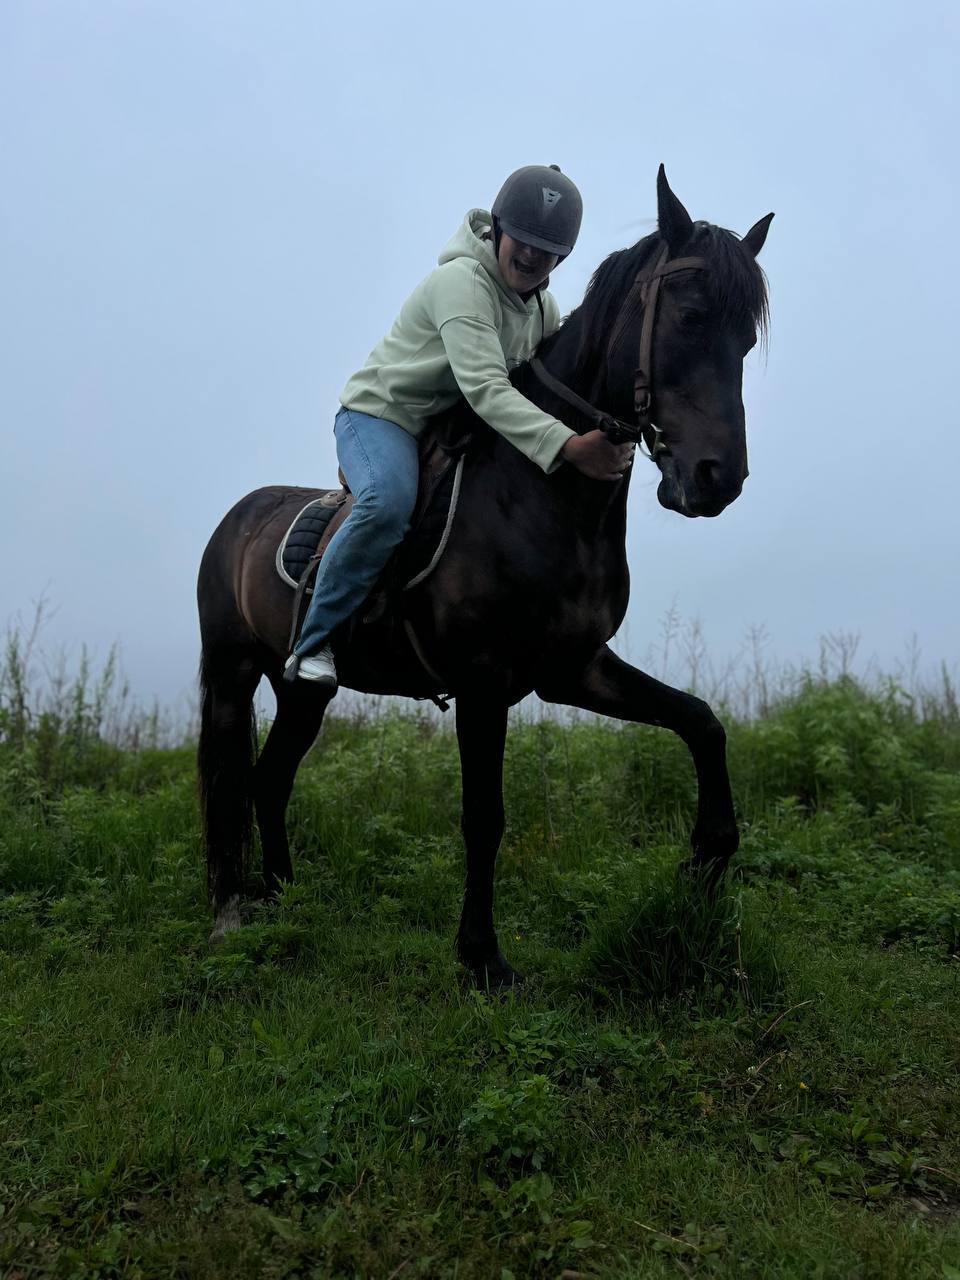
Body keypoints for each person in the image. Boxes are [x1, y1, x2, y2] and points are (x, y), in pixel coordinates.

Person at [286, 164, 634, 685]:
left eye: (548, 248)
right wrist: (568, 446)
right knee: (386, 504)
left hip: (450, 425)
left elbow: (545, 388)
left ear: (563, 257)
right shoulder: (461, 284)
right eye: (524, 238)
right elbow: (489, 390)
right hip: (383, 416)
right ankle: (313, 643)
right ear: (498, 227)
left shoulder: (544, 308)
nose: (533, 255)